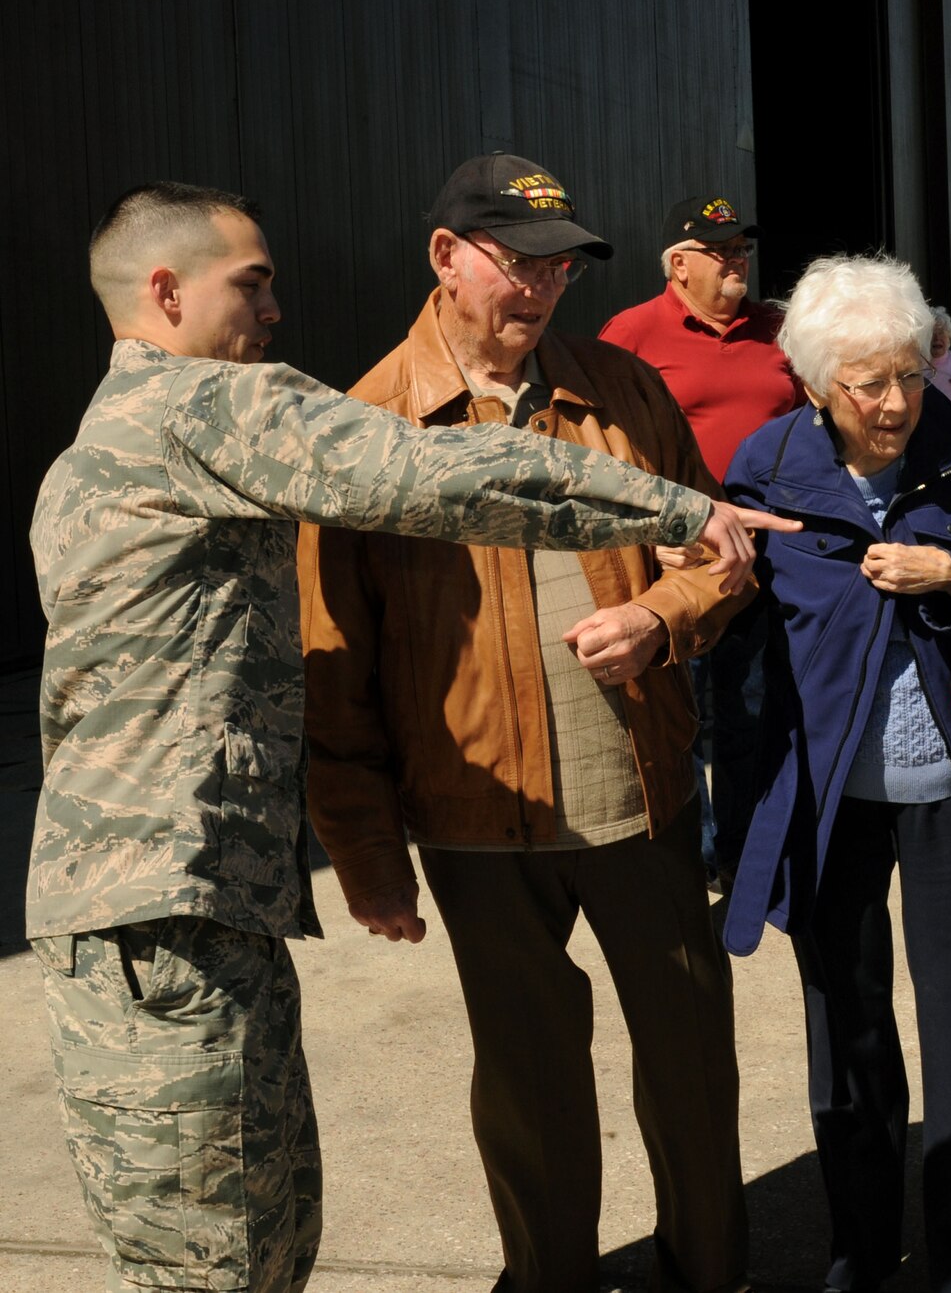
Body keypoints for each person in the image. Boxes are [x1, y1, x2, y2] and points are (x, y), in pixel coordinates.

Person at [28, 181, 785, 1293]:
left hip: (195, 902)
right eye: (254, 283)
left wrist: (665, 598)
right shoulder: (201, 410)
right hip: (168, 907)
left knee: (255, 1228)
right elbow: (431, 489)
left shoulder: (114, 441)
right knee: (213, 1249)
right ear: (163, 289)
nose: (276, 307)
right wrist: (675, 510)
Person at [298, 154, 753, 1293]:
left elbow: (717, 552)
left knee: (692, 1062)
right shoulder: (366, 429)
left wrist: (660, 615)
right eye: (521, 262)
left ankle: (707, 1270)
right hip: (475, 818)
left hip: (638, 794)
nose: (546, 287)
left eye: (562, 266)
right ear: (445, 256)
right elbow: (331, 662)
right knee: (529, 1077)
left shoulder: (620, 389)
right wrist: (363, 851)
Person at [720, 254, 951, 1292]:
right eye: (866, 383)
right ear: (814, 383)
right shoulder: (766, 466)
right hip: (825, 799)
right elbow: (728, 626)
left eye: (911, 375)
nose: (893, 403)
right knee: (848, 1036)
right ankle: (862, 1255)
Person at [599, 192, 804, 881]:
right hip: (675, 559)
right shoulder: (631, 333)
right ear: (679, 264)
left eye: (741, 248)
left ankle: (744, 853)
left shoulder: (781, 330)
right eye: (720, 251)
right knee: (680, 715)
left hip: (765, 558)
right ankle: (698, 849)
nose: (736, 260)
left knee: (749, 708)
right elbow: (596, 441)